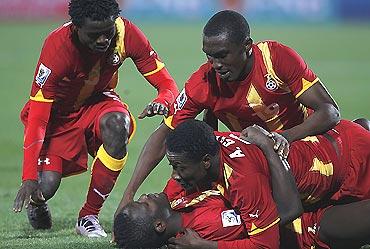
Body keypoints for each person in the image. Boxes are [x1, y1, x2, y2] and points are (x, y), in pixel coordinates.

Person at [116, 9, 340, 215]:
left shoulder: (276, 59)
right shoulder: (203, 82)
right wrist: (128, 194)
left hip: (305, 151)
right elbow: (164, 135)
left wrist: (284, 137)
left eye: (222, 55)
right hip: (257, 166)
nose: (215, 64)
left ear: (247, 46)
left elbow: (330, 112)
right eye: (209, 56)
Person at [12, 0, 179, 238]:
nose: (103, 40)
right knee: (45, 186)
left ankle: (88, 216)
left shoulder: (125, 33)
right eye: (94, 35)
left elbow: (167, 84)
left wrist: (163, 100)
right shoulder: (57, 46)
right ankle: (38, 202)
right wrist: (28, 178)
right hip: (57, 117)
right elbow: (38, 119)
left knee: (116, 125)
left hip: (96, 103)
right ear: (75, 28)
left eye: (107, 32)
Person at [163, 119, 369, 248]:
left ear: (206, 161)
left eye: (180, 168)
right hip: (333, 154)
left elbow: (289, 211)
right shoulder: (208, 144)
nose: (175, 175)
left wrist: (207, 245)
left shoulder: (241, 179)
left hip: (351, 163)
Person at [113, 190, 370, 249]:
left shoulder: (178, 202)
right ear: (159, 225)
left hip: (306, 197)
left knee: (361, 127)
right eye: (144, 203)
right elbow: (273, 216)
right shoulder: (206, 228)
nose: (145, 194)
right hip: (309, 225)